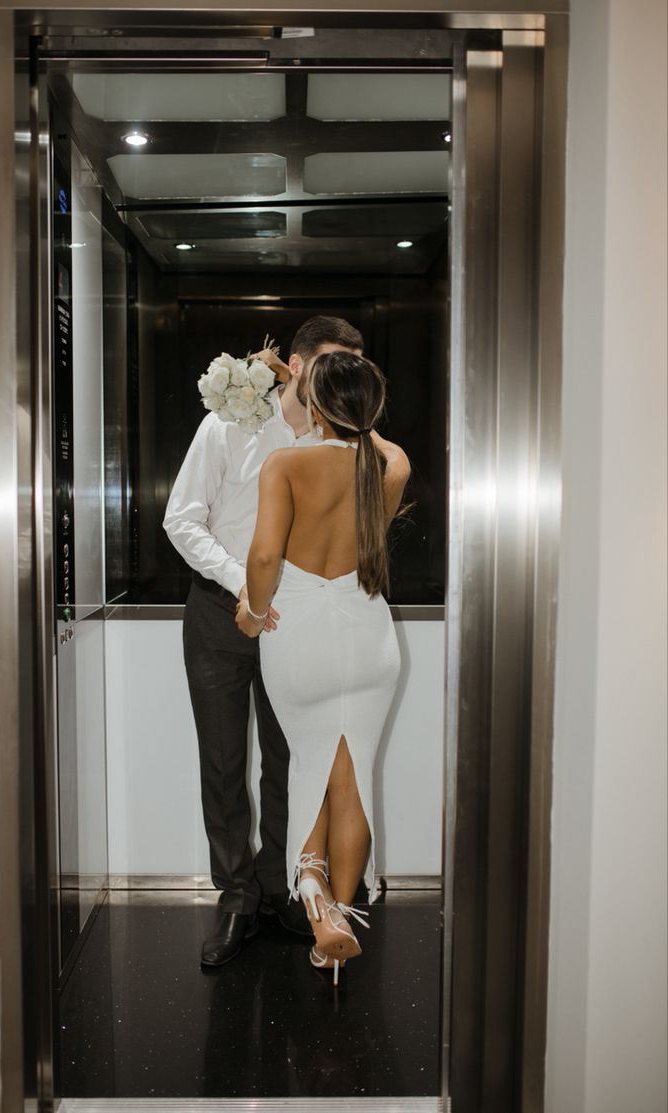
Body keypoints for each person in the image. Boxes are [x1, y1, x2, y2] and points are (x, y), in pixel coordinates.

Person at [163, 316, 364, 967]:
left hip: (296, 623)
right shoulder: (231, 422)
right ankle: (236, 896)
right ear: (297, 365)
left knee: (289, 762)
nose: (341, 381)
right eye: (331, 366)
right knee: (222, 764)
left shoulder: (339, 439)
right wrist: (245, 588)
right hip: (222, 615)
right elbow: (183, 520)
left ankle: (280, 890)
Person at [236, 350, 410, 984]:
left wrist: (253, 615)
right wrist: (353, 409)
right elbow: (376, 444)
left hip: (301, 633)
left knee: (310, 766)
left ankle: (319, 911)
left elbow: (262, 558)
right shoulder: (388, 465)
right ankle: (338, 913)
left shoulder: (284, 463)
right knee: (351, 778)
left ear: (314, 406)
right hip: (368, 635)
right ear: (372, 409)